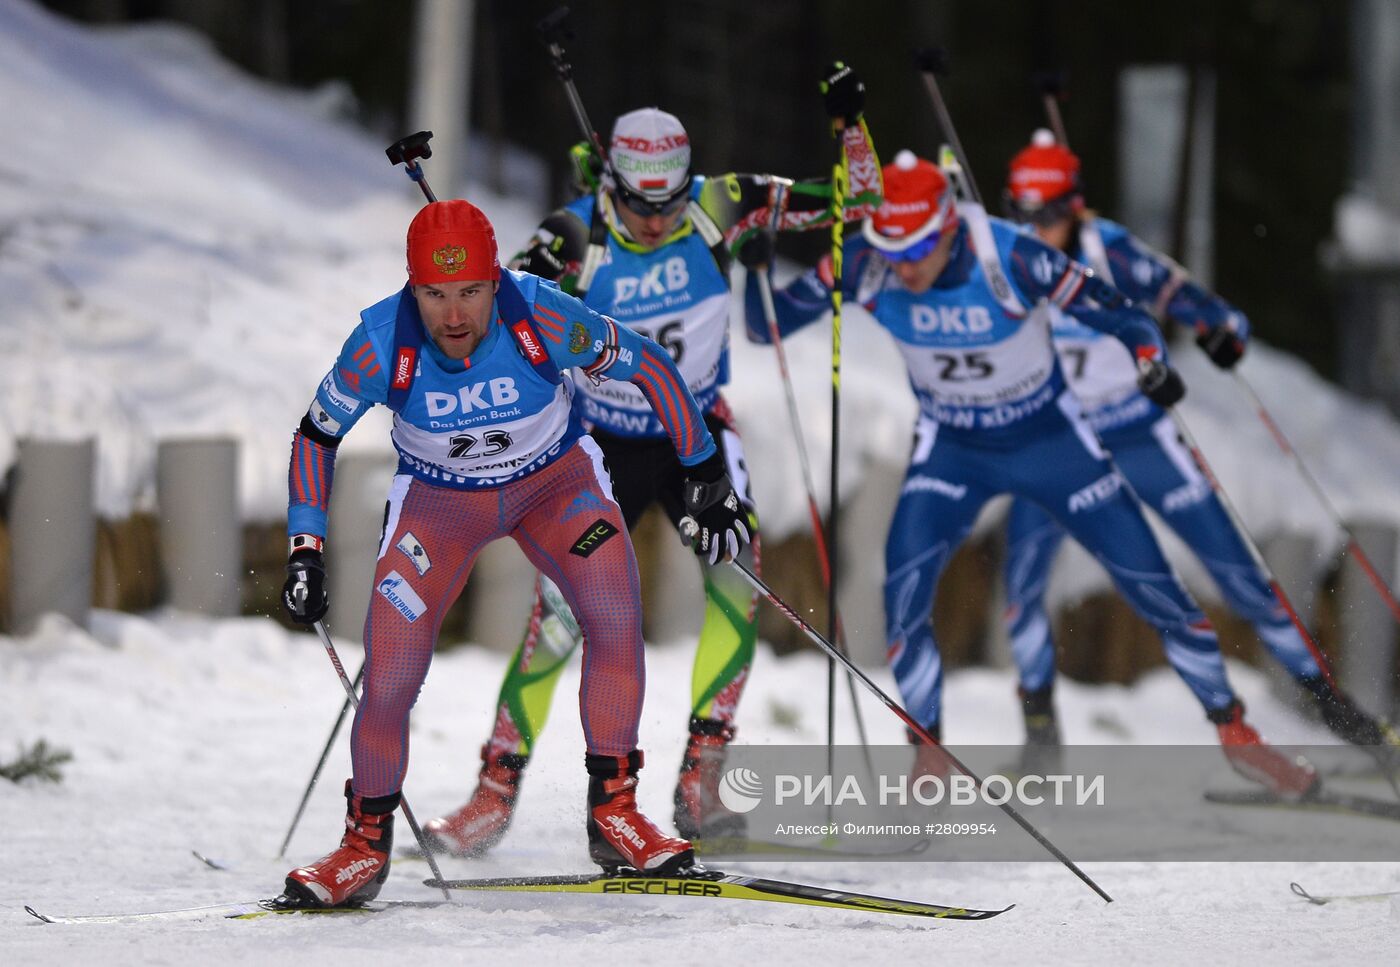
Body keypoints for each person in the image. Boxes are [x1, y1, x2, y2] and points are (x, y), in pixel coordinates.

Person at [741, 148, 1318, 797]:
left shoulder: (1011, 254)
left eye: (917, 251)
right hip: (954, 450)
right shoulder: (872, 263)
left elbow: (1120, 312)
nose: (904, 267)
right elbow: (766, 328)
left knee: (1158, 591)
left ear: (949, 228)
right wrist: (761, 267)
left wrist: (1150, 359)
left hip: (1051, 444)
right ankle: (928, 753)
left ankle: (1240, 736)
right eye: (891, 251)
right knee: (902, 592)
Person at [422, 63, 882, 856]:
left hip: (696, 431)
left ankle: (702, 776)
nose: (656, 219)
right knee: (561, 617)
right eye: (638, 202)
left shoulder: (718, 202)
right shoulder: (574, 233)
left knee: (740, 580)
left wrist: (851, 129)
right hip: (600, 440)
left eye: (670, 202)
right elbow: (494, 309)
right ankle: (493, 790)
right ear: (611, 183)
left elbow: (859, 202)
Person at [277, 197, 750, 908]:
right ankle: (364, 844)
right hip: (439, 505)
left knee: (615, 616)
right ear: (413, 287)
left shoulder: (542, 313)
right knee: (393, 672)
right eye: (435, 295)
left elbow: (648, 363)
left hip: (555, 488)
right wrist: (304, 548)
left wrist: (703, 466)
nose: (455, 315)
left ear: (496, 279)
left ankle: (614, 813)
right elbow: (317, 435)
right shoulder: (379, 340)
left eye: (470, 291)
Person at [998, 129, 1400, 765]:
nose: (1033, 228)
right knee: (1020, 584)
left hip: (1134, 428)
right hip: (1059, 443)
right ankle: (1040, 737)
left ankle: (1333, 706)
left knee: (1236, 567)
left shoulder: (1111, 250)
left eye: (1045, 215)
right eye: (1021, 214)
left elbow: (1184, 295)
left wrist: (1219, 329)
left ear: (1073, 207)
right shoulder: (1002, 258)